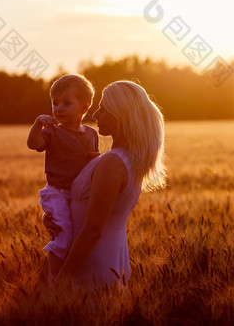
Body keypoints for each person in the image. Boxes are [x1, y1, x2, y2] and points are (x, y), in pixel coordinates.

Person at [45, 80, 166, 288]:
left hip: (90, 268)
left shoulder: (112, 163)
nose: (95, 115)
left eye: (102, 109)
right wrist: (55, 216)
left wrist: (60, 283)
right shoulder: (126, 159)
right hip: (108, 260)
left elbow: (93, 229)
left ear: (120, 114)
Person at [27, 74, 100, 279]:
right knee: (63, 234)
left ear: (84, 108)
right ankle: (55, 279)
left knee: (78, 234)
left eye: (66, 103)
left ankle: (74, 277)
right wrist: (37, 124)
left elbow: (94, 160)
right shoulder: (51, 132)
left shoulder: (91, 134)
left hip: (79, 194)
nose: (58, 108)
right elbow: (34, 144)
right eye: (55, 103)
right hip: (57, 192)